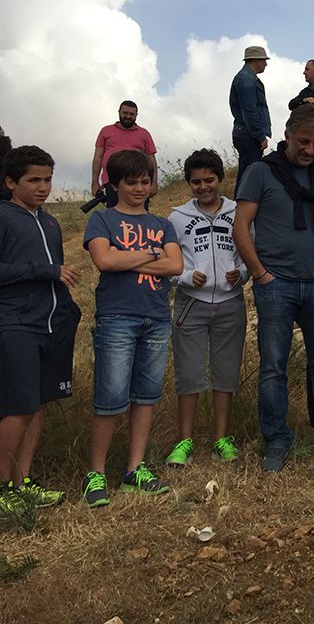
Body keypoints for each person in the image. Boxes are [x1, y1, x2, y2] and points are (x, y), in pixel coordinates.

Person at [233, 104, 314, 474]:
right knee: (274, 367)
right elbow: (241, 226)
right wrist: (260, 273)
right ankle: (276, 439)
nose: (309, 150)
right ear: (287, 135)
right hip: (276, 284)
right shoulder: (260, 172)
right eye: (303, 141)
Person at [82, 149, 183, 508]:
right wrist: (154, 254)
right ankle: (95, 473)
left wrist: (132, 258)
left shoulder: (163, 224)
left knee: (146, 397)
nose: (140, 188)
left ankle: (134, 470)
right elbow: (104, 260)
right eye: (132, 182)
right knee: (109, 398)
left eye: (145, 181)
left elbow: (176, 267)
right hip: (117, 317)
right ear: (115, 183)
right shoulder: (101, 220)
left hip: (155, 316)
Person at [0, 146, 81, 511]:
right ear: (10, 181)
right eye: (34, 180)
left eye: (48, 179)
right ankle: (3, 491)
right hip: (15, 324)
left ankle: (23, 482)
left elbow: (57, 273)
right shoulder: (3, 216)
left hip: (52, 325)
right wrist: (44, 271)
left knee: (39, 404)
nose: (43, 187)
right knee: (18, 407)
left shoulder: (49, 221)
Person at [164, 149, 247, 468]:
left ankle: (221, 439)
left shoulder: (238, 211)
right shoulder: (177, 217)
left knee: (226, 371)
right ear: (188, 183)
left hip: (230, 303)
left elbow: (248, 253)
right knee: (189, 373)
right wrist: (184, 276)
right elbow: (167, 262)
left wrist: (240, 274)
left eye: (209, 180)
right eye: (196, 182)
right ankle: (184, 440)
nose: (203, 187)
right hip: (191, 305)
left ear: (221, 179)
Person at [90, 100, 158, 207]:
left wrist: (154, 183)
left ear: (136, 115)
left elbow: (151, 160)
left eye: (132, 114)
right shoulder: (106, 131)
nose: (128, 116)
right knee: (114, 217)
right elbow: (98, 158)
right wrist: (95, 182)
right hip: (112, 182)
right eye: (125, 113)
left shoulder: (144, 134)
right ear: (119, 112)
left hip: (138, 183)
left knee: (140, 216)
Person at [230, 45, 272, 189]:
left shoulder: (246, 78)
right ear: (256, 60)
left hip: (246, 133)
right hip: (249, 135)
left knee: (247, 173)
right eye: (264, 60)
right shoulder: (246, 79)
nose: (266, 64)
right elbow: (250, 111)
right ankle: (241, 207)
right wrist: (260, 136)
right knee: (248, 176)